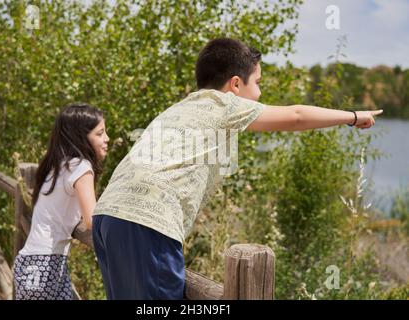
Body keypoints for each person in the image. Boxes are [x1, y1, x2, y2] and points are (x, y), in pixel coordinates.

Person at [92, 38, 383, 300]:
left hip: (108, 216)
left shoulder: (179, 108)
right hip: (146, 221)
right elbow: (295, 115)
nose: (259, 93)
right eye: (257, 83)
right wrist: (354, 116)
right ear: (234, 85)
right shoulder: (224, 104)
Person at [13, 103, 109, 300]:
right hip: (46, 265)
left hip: (33, 264)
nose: (106, 139)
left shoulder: (58, 165)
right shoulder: (81, 167)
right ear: (81, 138)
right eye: (100, 134)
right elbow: (92, 219)